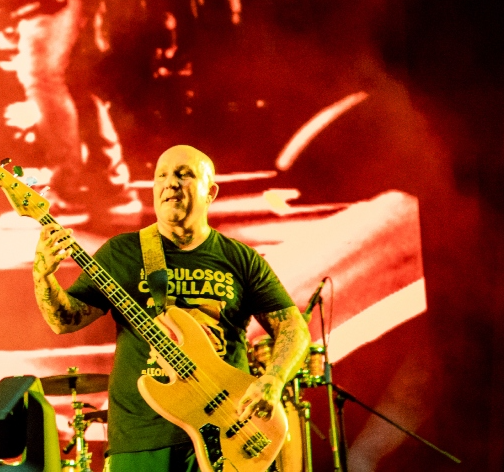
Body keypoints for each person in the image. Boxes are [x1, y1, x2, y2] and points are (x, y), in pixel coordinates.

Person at [31, 144, 311, 471]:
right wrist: (43, 275)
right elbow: (64, 320)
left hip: (229, 429)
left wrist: (273, 381)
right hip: (140, 437)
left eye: (184, 174)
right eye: (161, 176)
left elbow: (294, 327)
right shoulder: (122, 252)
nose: (170, 183)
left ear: (211, 192)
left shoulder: (240, 259)